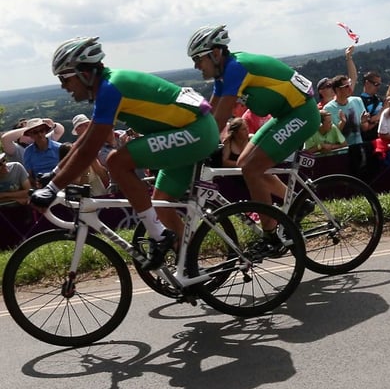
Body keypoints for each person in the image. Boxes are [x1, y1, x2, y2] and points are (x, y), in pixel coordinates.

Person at [31, 36, 220, 269]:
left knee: (117, 161)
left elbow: (90, 149)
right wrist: (55, 173)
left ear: (85, 73)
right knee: (160, 204)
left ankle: (161, 237)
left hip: (197, 132)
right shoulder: (108, 87)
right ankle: (190, 268)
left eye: (64, 78)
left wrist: (52, 188)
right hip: (192, 130)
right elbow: (85, 140)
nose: (63, 85)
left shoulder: (111, 88)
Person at [188, 25, 320, 236]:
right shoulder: (223, 73)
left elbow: (221, 118)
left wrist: (199, 147)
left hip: (303, 113)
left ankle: (270, 232)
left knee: (252, 169)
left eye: (197, 59)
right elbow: (211, 114)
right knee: (243, 163)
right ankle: (298, 204)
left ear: (214, 54)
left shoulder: (236, 68)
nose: (195, 66)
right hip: (285, 115)